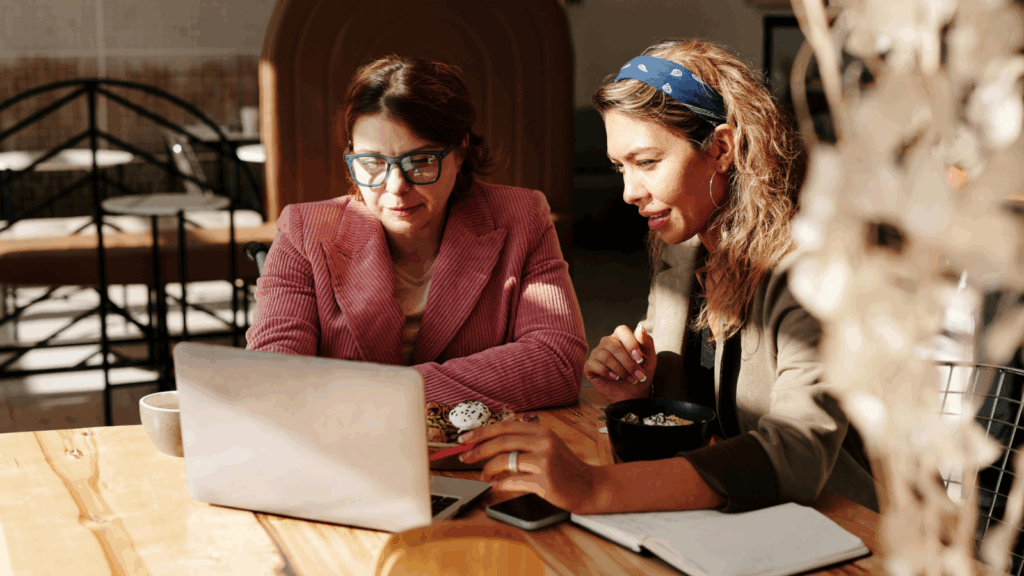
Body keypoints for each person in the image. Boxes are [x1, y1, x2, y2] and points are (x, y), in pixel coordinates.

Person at [458, 39, 878, 514]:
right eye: (619, 167)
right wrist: (639, 392)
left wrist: (596, 489)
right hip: (728, 523)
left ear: (721, 148)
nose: (628, 192)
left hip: (844, 525)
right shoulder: (681, 258)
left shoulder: (814, 273)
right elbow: (698, 424)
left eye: (647, 162)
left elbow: (797, 454)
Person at [246, 55, 587, 412]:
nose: (395, 186)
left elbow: (556, 362)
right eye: (373, 162)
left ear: (460, 152)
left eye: (421, 161)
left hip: (482, 456)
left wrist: (393, 392)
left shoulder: (521, 218)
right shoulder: (305, 231)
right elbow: (275, 378)